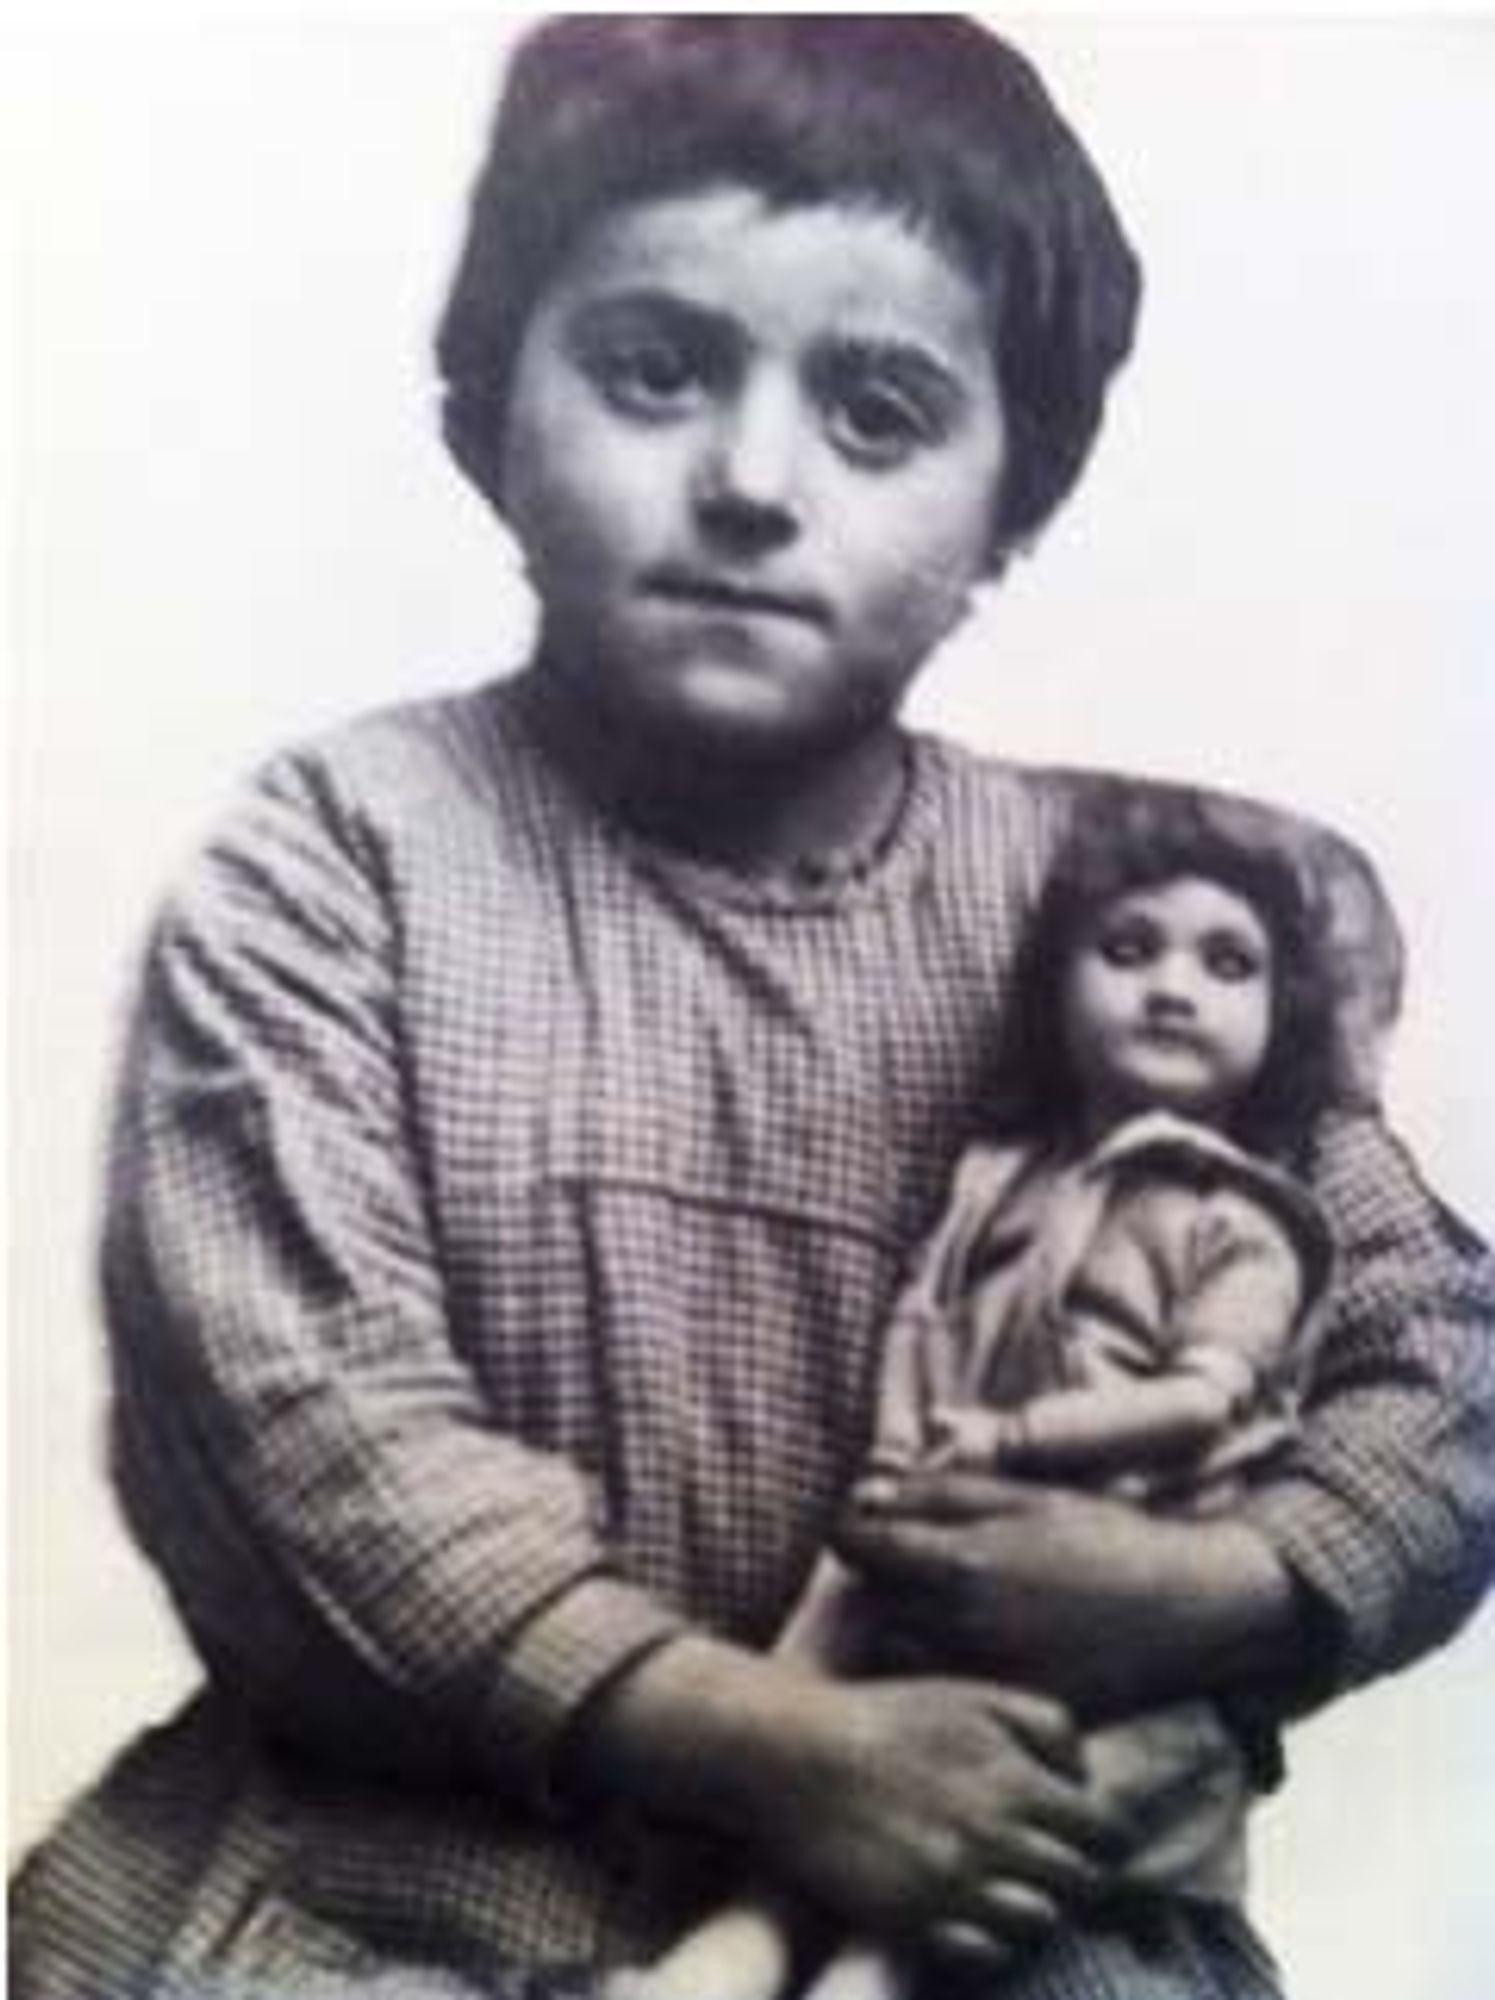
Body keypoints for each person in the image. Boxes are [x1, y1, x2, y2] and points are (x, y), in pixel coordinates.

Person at [10, 18, 1495, 2000]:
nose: (749, 481)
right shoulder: (341, 860)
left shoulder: (1112, 910)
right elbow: (306, 1427)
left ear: (1013, 506)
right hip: (394, 1875)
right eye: (653, 370)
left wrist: (1219, 1583)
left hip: (978, 1874)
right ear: (484, 405)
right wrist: (764, 1738)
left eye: (879, 413)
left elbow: (1442, 1359)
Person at [628, 789, 1343, 2000]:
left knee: (1014, 1787)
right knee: (825, 1690)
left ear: (1281, 1020)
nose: (1172, 985)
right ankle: (742, 1937)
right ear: (1056, 994)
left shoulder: (1247, 1220)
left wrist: (1017, 1432)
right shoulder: (998, 1176)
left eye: (1227, 963)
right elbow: (923, 1309)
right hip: (943, 1521)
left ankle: (874, 1968)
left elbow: (1202, 1398)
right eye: (1128, 950)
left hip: (1116, 1578)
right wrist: (908, 1446)